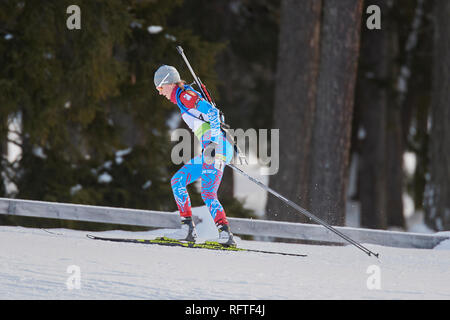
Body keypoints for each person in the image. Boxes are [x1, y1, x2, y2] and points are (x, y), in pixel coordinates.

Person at [154, 65, 236, 246]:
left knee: (208, 193)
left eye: (160, 88)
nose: (160, 93)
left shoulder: (185, 96)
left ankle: (225, 235)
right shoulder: (182, 98)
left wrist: (214, 143)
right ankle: (187, 229)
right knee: (178, 181)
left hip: (218, 147)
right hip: (212, 148)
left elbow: (214, 114)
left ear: (168, 83)